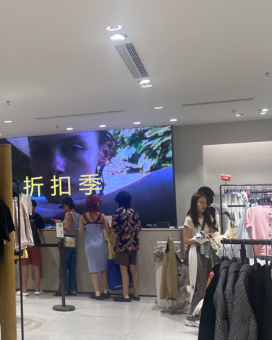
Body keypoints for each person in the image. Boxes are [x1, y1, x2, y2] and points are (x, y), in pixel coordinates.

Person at [14, 131, 176, 225]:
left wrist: (68, 211)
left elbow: (169, 179)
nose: (55, 166)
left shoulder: (129, 187)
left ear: (103, 153)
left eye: (73, 149)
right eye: (39, 153)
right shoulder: (29, 203)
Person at [183, 191, 217, 327]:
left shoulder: (208, 218)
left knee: (207, 283)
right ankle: (191, 316)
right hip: (196, 252)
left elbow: (212, 233)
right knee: (199, 284)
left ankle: (199, 313)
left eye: (205, 203)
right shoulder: (189, 219)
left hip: (207, 251)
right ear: (195, 203)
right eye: (201, 202)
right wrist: (201, 238)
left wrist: (212, 236)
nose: (204, 205)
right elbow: (186, 240)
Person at [110, 191, 142, 302]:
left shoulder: (117, 213)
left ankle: (125, 295)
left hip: (122, 245)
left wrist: (115, 244)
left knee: (123, 270)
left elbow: (115, 231)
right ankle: (136, 294)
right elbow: (139, 227)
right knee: (133, 269)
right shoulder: (134, 212)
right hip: (134, 245)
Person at [79, 194, 111, 300]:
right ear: (96, 204)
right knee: (103, 268)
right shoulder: (102, 215)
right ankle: (105, 291)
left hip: (90, 245)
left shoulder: (82, 217)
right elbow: (108, 230)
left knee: (93, 268)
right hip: (101, 244)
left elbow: (80, 232)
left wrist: (88, 229)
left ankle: (97, 293)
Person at [55, 196, 80, 296]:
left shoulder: (68, 214)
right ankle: (73, 289)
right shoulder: (77, 214)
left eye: (64, 206)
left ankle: (63, 290)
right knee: (72, 266)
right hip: (73, 239)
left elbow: (68, 228)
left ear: (68, 204)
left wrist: (60, 223)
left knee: (63, 265)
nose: (64, 208)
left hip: (66, 239)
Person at [21, 199, 45, 295]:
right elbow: (42, 230)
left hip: (24, 244)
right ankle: (37, 289)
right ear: (34, 207)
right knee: (36, 266)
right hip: (35, 244)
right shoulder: (37, 216)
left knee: (24, 267)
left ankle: (24, 290)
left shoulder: (22, 216)